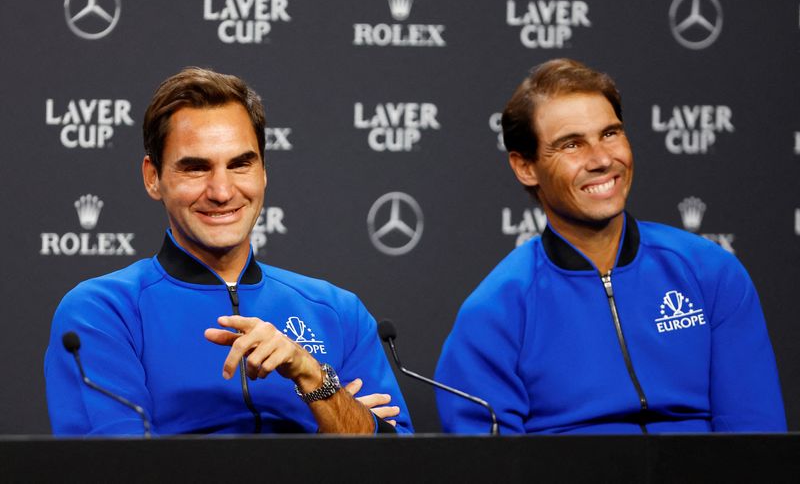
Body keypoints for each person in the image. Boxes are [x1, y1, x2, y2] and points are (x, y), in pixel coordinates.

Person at [45, 68, 412, 435]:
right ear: (152, 177)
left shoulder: (338, 311)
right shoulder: (104, 312)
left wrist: (313, 377)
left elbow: (396, 466)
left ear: (264, 172)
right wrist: (336, 426)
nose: (221, 191)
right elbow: (118, 468)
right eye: (196, 168)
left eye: (240, 164)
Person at [435, 59, 786, 434]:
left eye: (610, 134)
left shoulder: (710, 272)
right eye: (572, 144)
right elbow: (488, 468)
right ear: (526, 167)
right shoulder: (495, 311)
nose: (602, 160)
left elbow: (755, 441)